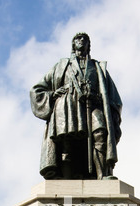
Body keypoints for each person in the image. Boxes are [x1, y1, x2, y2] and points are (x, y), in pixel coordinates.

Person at [30, 33, 122, 180]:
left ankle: (102, 175)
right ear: (73, 44)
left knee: (100, 133)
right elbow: (37, 89)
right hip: (67, 107)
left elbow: (114, 98)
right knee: (67, 142)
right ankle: (66, 179)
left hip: (93, 105)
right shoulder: (62, 66)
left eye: (85, 39)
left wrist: (110, 110)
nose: (82, 41)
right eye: (78, 39)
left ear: (88, 45)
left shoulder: (98, 67)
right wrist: (53, 95)